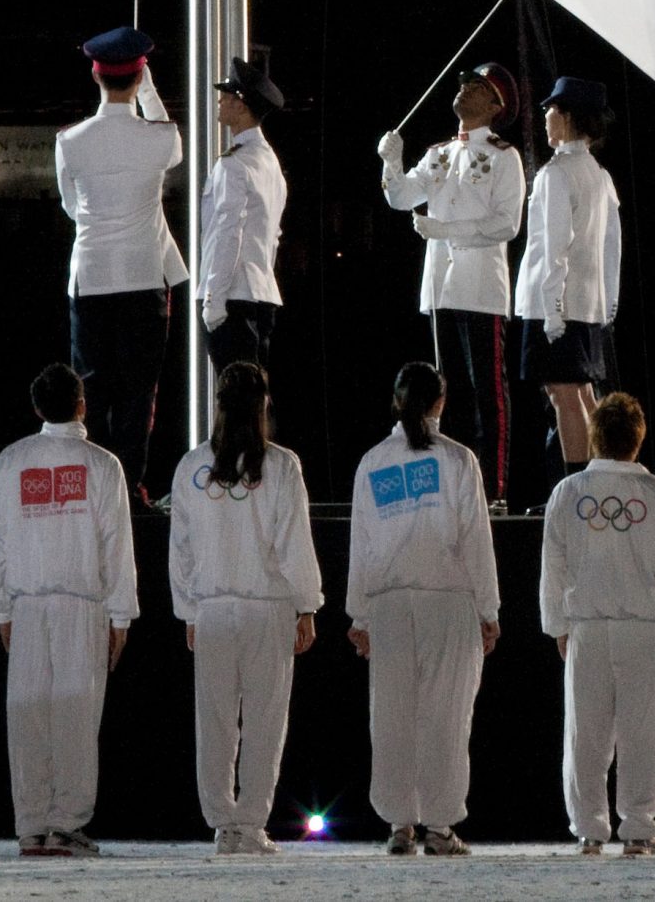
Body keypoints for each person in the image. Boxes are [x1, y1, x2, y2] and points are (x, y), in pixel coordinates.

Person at [170, 361, 324, 855]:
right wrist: (307, 605)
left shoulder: (192, 467)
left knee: (213, 720)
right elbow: (294, 542)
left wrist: (190, 610)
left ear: (217, 403)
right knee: (264, 720)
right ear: (264, 405)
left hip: (214, 609)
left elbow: (182, 550)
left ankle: (223, 823)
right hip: (266, 609)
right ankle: (250, 822)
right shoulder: (281, 466)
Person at [347, 363, 500, 856]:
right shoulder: (458, 460)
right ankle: (437, 825)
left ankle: (399, 825)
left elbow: (363, 544)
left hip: (390, 605)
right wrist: (488, 609)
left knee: (391, 714)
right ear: (440, 402)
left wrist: (360, 615)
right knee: (446, 716)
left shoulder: (373, 462)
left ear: (397, 402)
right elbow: (476, 538)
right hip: (447, 602)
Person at [0, 363, 139, 858]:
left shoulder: (12, 460)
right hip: (81, 605)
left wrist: (4, 609)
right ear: (82, 405)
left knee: (28, 714)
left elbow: (1, 542)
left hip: (29, 605)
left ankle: (33, 823)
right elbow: (116, 544)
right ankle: (65, 822)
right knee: (75, 713)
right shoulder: (102, 464)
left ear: (37, 408)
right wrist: (121, 616)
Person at [539, 391, 655, 856]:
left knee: (585, 733)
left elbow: (554, 567)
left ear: (593, 438)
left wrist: (559, 628)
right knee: (645, 734)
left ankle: (590, 828)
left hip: (588, 629)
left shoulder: (567, 494)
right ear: (637, 439)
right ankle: (639, 827)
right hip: (644, 629)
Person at [379, 64, 526, 508]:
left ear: (496, 106)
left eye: (477, 88)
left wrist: (445, 230)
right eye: (464, 84)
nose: (464, 90)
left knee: (488, 392)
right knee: (446, 393)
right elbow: (401, 197)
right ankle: (456, 487)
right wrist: (390, 160)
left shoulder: (504, 156)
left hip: (480, 284)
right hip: (441, 284)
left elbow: (507, 224)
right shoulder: (439, 152)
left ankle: (494, 491)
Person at [56, 25, 190, 507]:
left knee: (91, 392)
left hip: (90, 277)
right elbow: (169, 138)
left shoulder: (70, 140)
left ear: (96, 74)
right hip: (141, 278)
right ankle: (128, 490)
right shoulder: (159, 139)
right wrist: (148, 91)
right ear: (138, 77)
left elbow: (71, 208)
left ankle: (92, 492)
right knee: (138, 395)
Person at [515, 77, 623, 498]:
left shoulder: (556, 173)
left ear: (571, 117)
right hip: (588, 301)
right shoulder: (598, 174)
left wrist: (552, 305)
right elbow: (613, 244)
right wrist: (608, 301)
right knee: (581, 391)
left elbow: (555, 243)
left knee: (563, 394)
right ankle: (608, 470)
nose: (546, 117)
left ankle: (577, 484)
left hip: (556, 303)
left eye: (553, 111)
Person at [200, 57, 289, 378]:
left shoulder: (233, 164)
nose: (220, 101)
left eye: (227, 96)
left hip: (232, 296)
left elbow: (227, 233)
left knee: (236, 400)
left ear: (241, 105)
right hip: (261, 292)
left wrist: (213, 297)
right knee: (256, 399)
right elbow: (272, 235)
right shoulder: (269, 162)